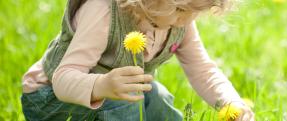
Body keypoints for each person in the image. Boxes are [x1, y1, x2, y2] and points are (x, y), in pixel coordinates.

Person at [21, 0, 254, 120]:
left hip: (114, 99)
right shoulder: (104, 11)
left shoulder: (180, 20)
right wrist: (101, 85)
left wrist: (231, 103)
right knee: (129, 98)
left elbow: (203, 70)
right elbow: (63, 79)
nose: (187, 19)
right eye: (181, 8)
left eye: (195, 10)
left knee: (156, 96)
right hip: (49, 100)